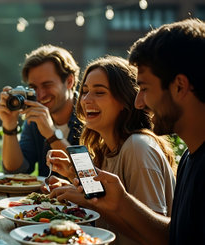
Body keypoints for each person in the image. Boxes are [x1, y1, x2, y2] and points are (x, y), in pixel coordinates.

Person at [52, 19, 205, 245]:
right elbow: (175, 236)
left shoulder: (139, 146)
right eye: (84, 92)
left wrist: (100, 203)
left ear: (179, 86)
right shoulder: (190, 158)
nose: (139, 102)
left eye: (144, 88)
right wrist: (120, 201)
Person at [46, 56, 176, 244]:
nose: (86, 100)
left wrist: (87, 201)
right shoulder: (106, 149)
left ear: (125, 100)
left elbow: (155, 237)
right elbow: (110, 209)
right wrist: (73, 179)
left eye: (99, 92)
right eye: (84, 91)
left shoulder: (138, 147)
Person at [0, 44, 83, 177]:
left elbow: (86, 173)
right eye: (33, 87)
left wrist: (51, 133)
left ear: (69, 81)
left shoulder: (89, 114)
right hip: (47, 197)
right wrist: (9, 125)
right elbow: (16, 171)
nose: (40, 95)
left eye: (47, 85)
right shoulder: (36, 117)